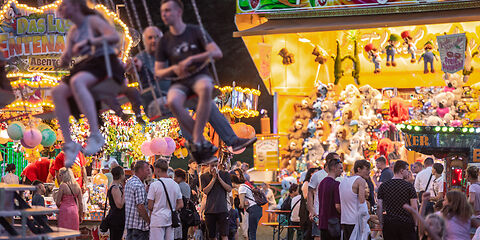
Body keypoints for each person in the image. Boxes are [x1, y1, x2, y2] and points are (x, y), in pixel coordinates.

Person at [53, 0, 125, 167]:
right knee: (58, 92)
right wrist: (65, 58)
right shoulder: (73, 32)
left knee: (78, 81)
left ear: (76, 5)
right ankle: (69, 143)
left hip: (105, 63)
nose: (60, 8)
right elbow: (69, 54)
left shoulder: (92, 21)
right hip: (87, 65)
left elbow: (114, 37)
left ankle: (95, 133)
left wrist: (91, 42)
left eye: (64, 4)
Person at [377, 160, 418, 240]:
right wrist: (415, 224)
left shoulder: (384, 186)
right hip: (406, 223)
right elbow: (414, 207)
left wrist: (381, 223)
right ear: (402, 171)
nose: (408, 172)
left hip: (390, 224)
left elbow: (379, 206)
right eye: (407, 170)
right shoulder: (409, 186)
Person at [308, 152, 340, 240]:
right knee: (318, 236)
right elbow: (310, 192)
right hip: (319, 213)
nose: (339, 162)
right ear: (329, 161)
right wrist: (311, 210)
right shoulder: (317, 175)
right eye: (337, 160)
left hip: (334, 216)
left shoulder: (340, 176)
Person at [148, 160, 183, 240]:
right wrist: (172, 209)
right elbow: (181, 204)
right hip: (170, 219)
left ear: (158, 170)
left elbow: (150, 206)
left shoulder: (154, 185)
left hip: (157, 220)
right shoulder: (175, 185)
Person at [201, 161, 232, 240]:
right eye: (212, 166)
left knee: (224, 234)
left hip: (222, 209)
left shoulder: (225, 174)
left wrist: (219, 179)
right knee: (212, 236)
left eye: (215, 165)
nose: (214, 167)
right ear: (208, 165)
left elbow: (229, 189)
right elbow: (205, 191)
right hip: (210, 210)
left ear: (218, 165)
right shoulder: (204, 176)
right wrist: (213, 179)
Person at [339, 160, 370, 240]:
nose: (369, 172)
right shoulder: (361, 181)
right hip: (356, 221)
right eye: (366, 169)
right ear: (359, 169)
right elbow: (362, 202)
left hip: (344, 220)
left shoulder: (344, 180)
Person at [317, 157, 343, 240]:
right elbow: (337, 206)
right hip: (333, 223)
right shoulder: (336, 184)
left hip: (323, 222)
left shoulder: (322, 183)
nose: (342, 171)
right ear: (334, 168)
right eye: (340, 168)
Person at [125, 160, 151, 240]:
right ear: (140, 170)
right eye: (147, 170)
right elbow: (140, 206)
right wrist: (149, 221)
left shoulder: (129, 181)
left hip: (130, 225)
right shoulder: (138, 185)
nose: (149, 172)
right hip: (139, 227)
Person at [107, 166, 126, 240]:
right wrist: (124, 192)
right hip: (116, 218)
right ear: (121, 175)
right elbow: (119, 205)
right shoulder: (115, 188)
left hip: (116, 217)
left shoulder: (115, 185)